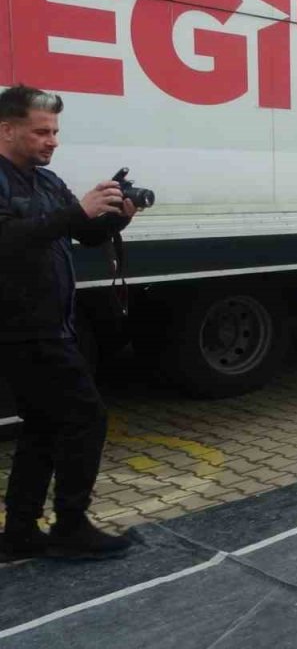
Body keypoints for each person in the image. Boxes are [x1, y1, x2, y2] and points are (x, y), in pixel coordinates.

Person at [0, 85, 142, 562]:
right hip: (20, 328)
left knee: (43, 425)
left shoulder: (45, 181)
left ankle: (20, 530)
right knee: (85, 417)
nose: (52, 140)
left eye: (55, 131)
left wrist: (116, 218)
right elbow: (10, 239)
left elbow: (81, 232)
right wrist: (73, 211)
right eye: (41, 131)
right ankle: (70, 525)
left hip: (51, 323)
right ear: (7, 129)